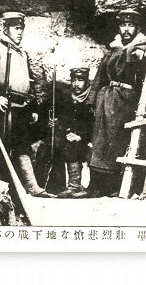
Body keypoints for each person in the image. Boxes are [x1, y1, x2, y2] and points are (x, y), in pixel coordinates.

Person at [0, 12, 56, 198]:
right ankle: (7, 188)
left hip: (21, 107)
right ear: (5, 29)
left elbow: (29, 82)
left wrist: (33, 108)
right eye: (16, 28)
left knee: (22, 145)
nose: (19, 32)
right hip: (4, 106)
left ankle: (31, 186)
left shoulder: (22, 53)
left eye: (21, 28)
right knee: (4, 148)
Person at [86, 9, 146, 197]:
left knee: (118, 140)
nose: (126, 29)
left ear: (137, 28)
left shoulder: (142, 48)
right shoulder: (113, 48)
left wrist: (141, 54)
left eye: (131, 25)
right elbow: (100, 76)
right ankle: (96, 186)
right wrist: (92, 100)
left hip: (127, 100)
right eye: (123, 25)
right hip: (107, 99)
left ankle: (115, 186)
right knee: (100, 140)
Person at [42, 67, 94, 198]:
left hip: (88, 139)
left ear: (87, 81)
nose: (76, 84)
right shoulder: (68, 98)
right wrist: (56, 123)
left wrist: (81, 137)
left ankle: (76, 186)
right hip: (71, 137)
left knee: (74, 146)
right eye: (74, 80)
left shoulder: (92, 98)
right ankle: (61, 185)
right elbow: (65, 120)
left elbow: (94, 124)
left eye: (80, 80)